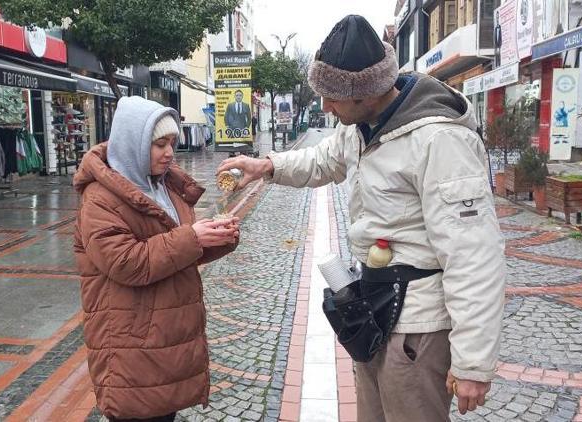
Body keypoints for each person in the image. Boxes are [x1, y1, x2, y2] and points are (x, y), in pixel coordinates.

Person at [217, 15, 505, 421]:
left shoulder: (439, 140)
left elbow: (474, 254)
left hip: (416, 330)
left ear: (366, 91)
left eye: (333, 98)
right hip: (372, 311)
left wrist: (474, 363)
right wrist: (265, 166)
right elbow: (321, 159)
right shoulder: (362, 126)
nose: (325, 107)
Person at [73, 96, 240, 421]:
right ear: (133, 143)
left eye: (172, 143)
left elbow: (173, 250)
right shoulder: (100, 199)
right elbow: (125, 262)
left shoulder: (163, 186)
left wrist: (217, 238)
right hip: (130, 345)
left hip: (164, 340)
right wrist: (193, 237)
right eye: (158, 144)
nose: (169, 153)